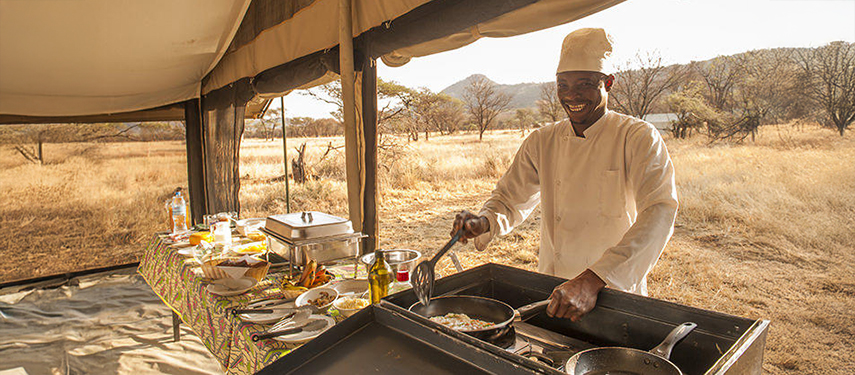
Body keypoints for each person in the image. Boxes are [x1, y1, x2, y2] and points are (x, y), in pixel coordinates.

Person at [452, 28, 678, 321]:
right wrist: (483, 221)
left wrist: (593, 279)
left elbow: (659, 212)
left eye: (584, 84)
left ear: (608, 83)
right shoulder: (542, 141)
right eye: (563, 85)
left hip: (612, 289)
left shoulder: (636, 137)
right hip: (554, 290)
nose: (572, 95)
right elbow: (509, 198)